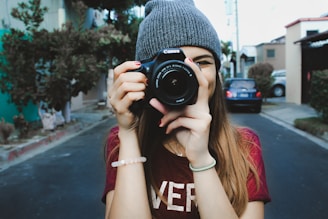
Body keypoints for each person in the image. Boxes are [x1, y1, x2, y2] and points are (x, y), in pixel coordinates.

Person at [102, 0, 271, 218]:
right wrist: (128, 133)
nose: (187, 73)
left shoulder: (244, 146)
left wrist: (201, 159)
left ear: (218, 75)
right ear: (143, 75)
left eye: (201, 62)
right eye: (170, 65)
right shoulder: (123, 140)